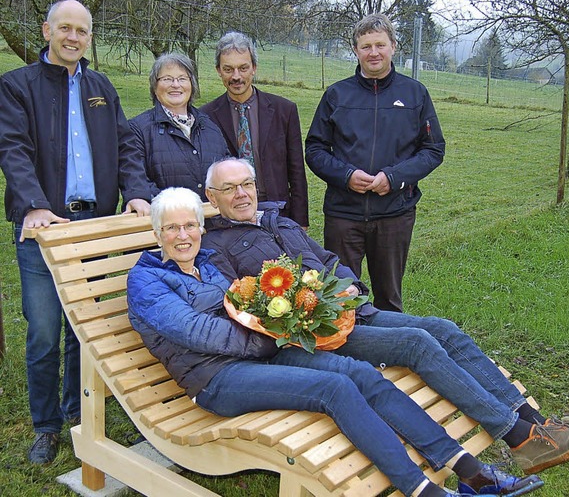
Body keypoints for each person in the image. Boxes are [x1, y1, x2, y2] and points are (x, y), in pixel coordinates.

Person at [202, 158, 569, 478]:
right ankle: (519, 437)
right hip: (322, 337)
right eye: (229, 188)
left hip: (354, 311)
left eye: (247, 184)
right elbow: (244, 307)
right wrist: (306, 316)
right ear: (211, 196)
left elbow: (329, 260)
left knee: (443, 329)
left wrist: (350, 286)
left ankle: (538, 425)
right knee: (418, 342)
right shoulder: (217, 246)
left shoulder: (281, 221)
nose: (241, 194)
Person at [127, 186, 544, 497]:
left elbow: (243, 302)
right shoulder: (146, 280)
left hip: (262, 356)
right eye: (171, 228)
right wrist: (270, 339)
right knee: (334, 387)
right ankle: (425, 492)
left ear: (200, 228)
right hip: (215, 380)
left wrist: (278, 329)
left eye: (189, 226)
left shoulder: (207, 266)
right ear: (156, 232)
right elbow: (198, 333)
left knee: (359, 373)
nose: (182, 235)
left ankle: (469, 469)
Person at [0, 0, 152, 464]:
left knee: (82, 328)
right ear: (47, 30)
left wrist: (137, 192)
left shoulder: (101, 86)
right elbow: (12, 147)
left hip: (96, 227)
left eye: (81, 31)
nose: (72, 37)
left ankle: (76, 410)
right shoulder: (16, 85)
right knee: (45, 330)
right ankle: (45, 425)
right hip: (47, 227)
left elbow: (126, 144)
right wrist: (35, 206)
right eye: (64, 28)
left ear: (89, 37)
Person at [305, 13, 445, 312]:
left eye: (380, 45)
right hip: (343, 215)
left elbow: (433, 149)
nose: (374, 53)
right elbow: (315, 148)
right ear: (356, 50)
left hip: (394, 213)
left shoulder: (414, 94)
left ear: (393, 46)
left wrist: (394, 178)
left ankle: (390, 355)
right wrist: (346, 175)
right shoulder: (337, 95)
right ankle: (345, 354)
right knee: (339, 298)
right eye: (365, 46)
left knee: (389, 298)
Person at [200, 31, 309, 227]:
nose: (236, 76)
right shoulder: (205, 116)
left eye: (243, 68)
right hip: (228, 215)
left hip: (277, 210)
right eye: (228, 69)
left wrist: (300, 221)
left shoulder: (284, 110)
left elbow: (297, 171)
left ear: (254, 68)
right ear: (218, 70)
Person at [129, 52, 229, 201]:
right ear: (155, 86)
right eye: (167, 79)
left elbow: (226, 175)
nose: (176, 85)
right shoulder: (137, 129)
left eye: (182, 79)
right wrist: (178, 209)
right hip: (166, 220)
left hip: (211, 220)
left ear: (192, 85)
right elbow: (138, 182)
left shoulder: (209, 127)